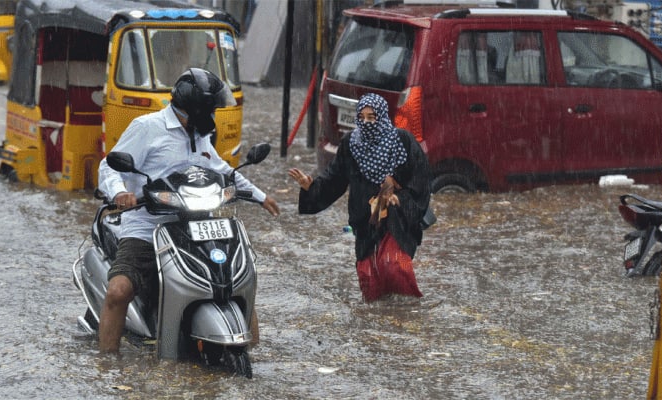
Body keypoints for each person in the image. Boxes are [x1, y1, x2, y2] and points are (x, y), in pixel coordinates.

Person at [97, 68, 279, 353]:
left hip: (195, 224)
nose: (215, 115)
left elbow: (223, 171)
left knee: (236, 279)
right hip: (148, 226)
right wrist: (120, 192)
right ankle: (107, 364)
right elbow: (109, 164)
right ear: (197, 108)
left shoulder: (200, 135)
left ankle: (252, 352)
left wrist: (260, 196)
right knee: (118, 291)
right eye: (212, 109)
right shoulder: (147, 127)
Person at [288, 93, 430, 302]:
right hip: (365, 219)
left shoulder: (402, 141)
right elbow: (335, 178)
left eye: (371, 117)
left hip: (397, 218)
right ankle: (374, 322)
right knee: (368, 277)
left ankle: (407, 314)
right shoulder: (351, 144)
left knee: (394, 265)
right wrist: (312, 187)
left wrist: (401, 199)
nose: (366, 123)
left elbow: (420, 179)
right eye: (361, 117)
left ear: (381, 117)